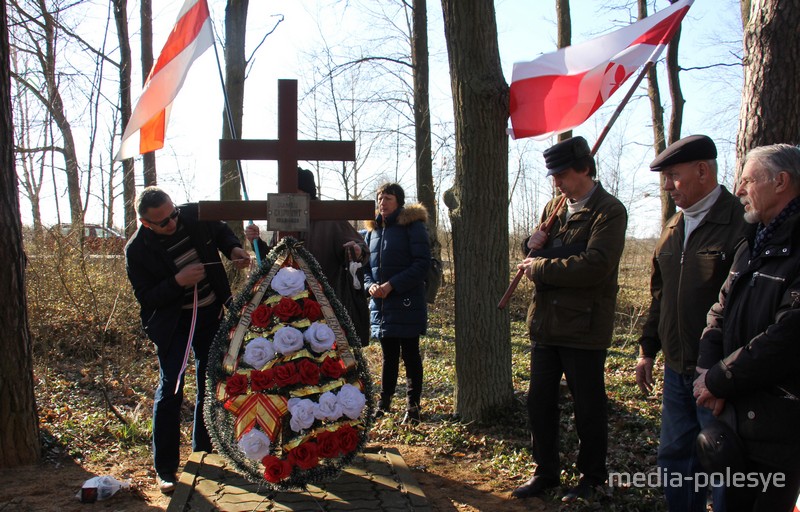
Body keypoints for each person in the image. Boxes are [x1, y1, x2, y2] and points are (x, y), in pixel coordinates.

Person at [512, 136, 628, 502]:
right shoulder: (554, 206)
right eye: (552, 175)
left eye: (561, 174)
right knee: (539, 403)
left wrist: (540, 266)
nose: (556, 182)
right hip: (546, 325)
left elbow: (595, 266)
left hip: (583, 326)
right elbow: (536, 252)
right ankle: (545, 472)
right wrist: (531, 243)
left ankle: (592, 478)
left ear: (585, 169)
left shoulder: (609, 211)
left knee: (587, 407)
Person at [635, 134, 746, 511]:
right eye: (664, 177)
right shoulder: (672, 228)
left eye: (673, 176)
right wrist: (647, 349)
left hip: (720, 376)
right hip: (676, 371)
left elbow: (747, 310)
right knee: (674, 460)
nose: (667, 185)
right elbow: (660, 296)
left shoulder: (741, 225)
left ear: (703, 171)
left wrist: (723, 373)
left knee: (724, 467)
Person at [694, 144, 800, 511]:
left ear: (781, 181)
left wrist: (719, 379)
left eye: (747, 180)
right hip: (736, 421)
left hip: (782, 428)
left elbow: (787, 336)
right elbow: (719, 311)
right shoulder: (751, 244)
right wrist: (708, 372)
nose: (738, 190)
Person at [125, 187, 250, 493]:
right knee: (171, 389)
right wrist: (178, 281)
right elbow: (147, 297)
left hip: (210, 315)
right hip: (173, 325)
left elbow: (220, 231)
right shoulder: (137, 250)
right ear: (146, 223)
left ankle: (203, 455)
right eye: (163, 222)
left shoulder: (194, 213)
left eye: (173, 214)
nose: (172, 223)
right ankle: (165, 470)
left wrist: (233, 249)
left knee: (210, 385)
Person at [245, 167, 370, 346]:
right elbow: (275, 260)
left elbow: (360, 249)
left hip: (325, 309)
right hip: (287, 310)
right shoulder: (283, 220)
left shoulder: (330, 218)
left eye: (290, 189)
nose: (284, 195)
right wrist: (257, 242)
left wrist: (357, 251)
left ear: (305, 192)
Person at [363, 183, 431, 424]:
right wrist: (369, 286)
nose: (382, 202)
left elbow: (422, 264)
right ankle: (384, 402)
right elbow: (365, 269)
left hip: (406, 301)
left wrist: (392, 285)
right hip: (380, 304)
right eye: (380, 198)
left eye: (388, 198)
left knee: (410, 354)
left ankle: (413, 407)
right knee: (388, 355)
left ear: (399, 202)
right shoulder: (372, 231)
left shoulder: (412, 226)